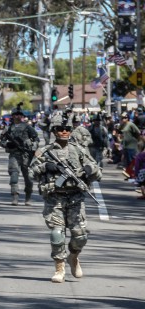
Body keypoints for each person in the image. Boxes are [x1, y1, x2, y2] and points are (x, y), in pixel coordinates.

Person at [29, 111, 102, 283]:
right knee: (57, 234)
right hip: (54, 198)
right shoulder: (45, 152)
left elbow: (97, 171)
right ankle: (59, 267)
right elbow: (32, 173)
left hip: (76, 198)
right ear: (54, 131)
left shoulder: (79, 150)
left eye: (67, 128)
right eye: (60, 129)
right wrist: (46, 167)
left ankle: (73, 257)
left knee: (80, 236)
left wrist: (88, 170)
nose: (64, 132)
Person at [0, 104, 40, 205]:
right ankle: (15, 196)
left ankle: (28, 197)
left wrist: (32, 147)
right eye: (15, 115)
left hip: (26, 154)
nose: (17, 116)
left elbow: (36, 139)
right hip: (14, 155)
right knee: (14, 175)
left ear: (22, 116)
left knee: (28, 177)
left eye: (19, 115)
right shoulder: (8, 128)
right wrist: (8, 144)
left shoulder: (27, 127)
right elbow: (1, 141)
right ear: (12, 116)